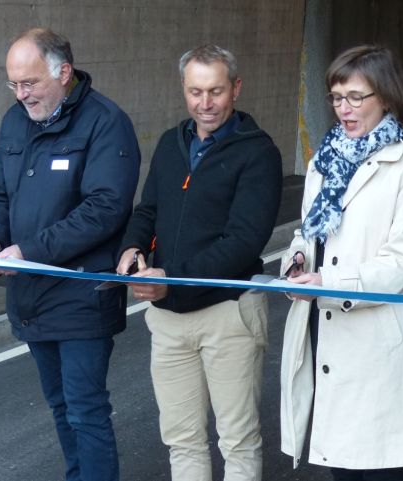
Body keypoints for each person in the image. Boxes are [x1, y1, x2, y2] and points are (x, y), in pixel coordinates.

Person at [0, 28, 140, 481]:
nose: (21, 94)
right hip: (31, 293)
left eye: (29, 83)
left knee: (85, 410)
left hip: (83, 293)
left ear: (64, 72)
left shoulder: (106, 122)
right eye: (13, 84)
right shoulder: (15, 121)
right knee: (60, 406)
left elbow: (105, 209)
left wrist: (28, 251)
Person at [116, 44, 282, 481]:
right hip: (168, 319)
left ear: (236, 88)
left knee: (238, 442)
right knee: (182, 440)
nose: (204, 103)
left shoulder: (259, 153)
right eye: (195, 91)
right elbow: (148, 210)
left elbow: (244, 241)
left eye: (215, 91)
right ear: (183, 89)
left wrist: (171, 278)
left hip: (229, 314)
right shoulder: (171, 143)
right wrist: (132, 248)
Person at [280, 45, 403, 481]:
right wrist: (296, 260)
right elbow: (308, 231)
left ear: (385, 97)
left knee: (381, 468)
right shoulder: (323, 161)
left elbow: (402, 259)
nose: (343, 109)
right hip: (326, 329)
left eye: (355, 97)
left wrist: (329, 282)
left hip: (377, 337)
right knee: (341, 465)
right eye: (336, 97)